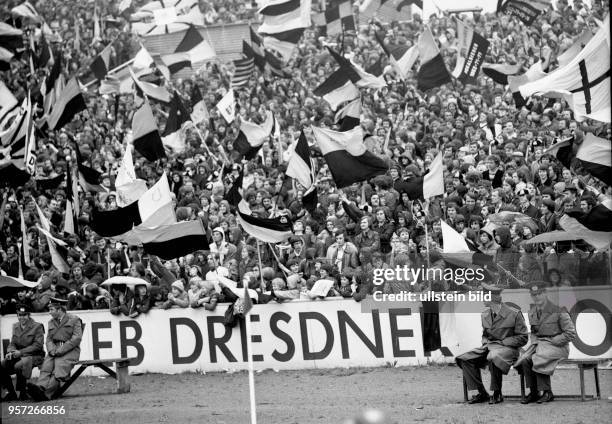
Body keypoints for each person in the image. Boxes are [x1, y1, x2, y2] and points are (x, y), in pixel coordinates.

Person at [455, 283, 528, 404]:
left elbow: (523, 337)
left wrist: (503, 342)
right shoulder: (484, 315)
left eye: (484, 295)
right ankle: (481, 392)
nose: (482, 298)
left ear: (492, 298)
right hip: (489, 347)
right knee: (464, 359)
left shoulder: (514, 313)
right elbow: (485, 334)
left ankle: (497, 392)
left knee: (493, 356)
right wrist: (484, 343)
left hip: (509, 350)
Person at [518, 284, 577, 404]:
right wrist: (534, 343)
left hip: (558, 347)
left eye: (539, 294)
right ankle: (534, 393)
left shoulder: (559, 310)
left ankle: (547, 392)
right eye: (534, 295)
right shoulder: (532, 312)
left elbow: (571, 333)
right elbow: (534, 332)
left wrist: (556, 340)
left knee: (539, 356)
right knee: (525, 360)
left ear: (545, 293)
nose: (537, 297)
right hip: (540, 345)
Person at [27, 299, 83, 401]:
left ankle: (46, 394)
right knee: (46, 367)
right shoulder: (51, 322)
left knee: (59, 369)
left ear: (59, 309)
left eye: (51, 309)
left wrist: (60, 350)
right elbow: (49, 339)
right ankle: (39, 388)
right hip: (54, 351)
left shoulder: (74, 319)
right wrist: (51, 350)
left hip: (70, 351)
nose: (49, 312)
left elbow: (76, 339)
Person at [0, 305, 45, 401]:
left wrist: (20, 352)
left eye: (24, 315)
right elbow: (13, 343)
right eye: (19, 315)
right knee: (2, 365)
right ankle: (11, 394)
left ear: (29, 315)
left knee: (20, 365)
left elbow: (37, 346)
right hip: (18, 354)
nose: (21, 317)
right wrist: (10, 352)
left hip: (35, 355)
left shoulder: (37, 326)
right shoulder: (15, 326)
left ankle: (22, 393)